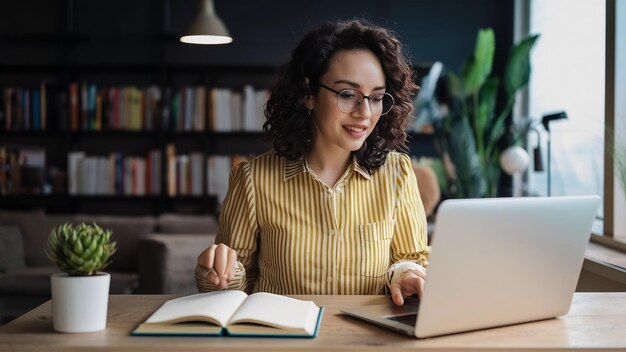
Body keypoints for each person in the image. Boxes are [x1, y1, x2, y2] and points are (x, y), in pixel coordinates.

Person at [196, 19, 429, 306]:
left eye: (377, 97)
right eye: (347, 94)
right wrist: (219, 273)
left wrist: (406, 276)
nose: (365, 112)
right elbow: (235, 285)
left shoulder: (397, 174)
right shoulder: (253, 180)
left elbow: (412, 259)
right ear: (309, 95)